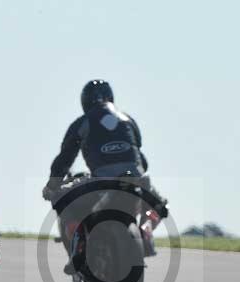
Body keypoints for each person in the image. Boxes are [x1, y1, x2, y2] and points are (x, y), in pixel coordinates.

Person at [42, 79, 167, 269]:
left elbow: (64, 160)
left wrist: (52, 187)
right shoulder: (128, 120)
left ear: (85, 102)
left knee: (62, 199)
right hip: (138, 180)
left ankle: (79, 247)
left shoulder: (83, 123)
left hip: (102, 183)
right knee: (160, 204)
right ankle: (146, 229)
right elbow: (142, 160)